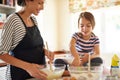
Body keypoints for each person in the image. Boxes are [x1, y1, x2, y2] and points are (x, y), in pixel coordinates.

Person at [0, 0, 54, 80]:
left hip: (38, 75)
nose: (42, 8)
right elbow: (2, 53)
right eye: (39, 3)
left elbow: (33, 46)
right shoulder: (13, 20)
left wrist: (45, 51)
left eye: (43, 3)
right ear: (28, 1)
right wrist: (28, 67)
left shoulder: (33, 20)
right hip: (19, 76)